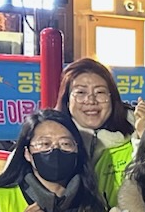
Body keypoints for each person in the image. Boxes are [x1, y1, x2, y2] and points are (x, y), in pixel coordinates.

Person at [56, 58, 138, 203]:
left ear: (112, 98)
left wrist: (144, 136)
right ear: (67, 100)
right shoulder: (47, 140)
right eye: (81, 92)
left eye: (100, 92)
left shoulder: (137, 135)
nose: (91, 100)